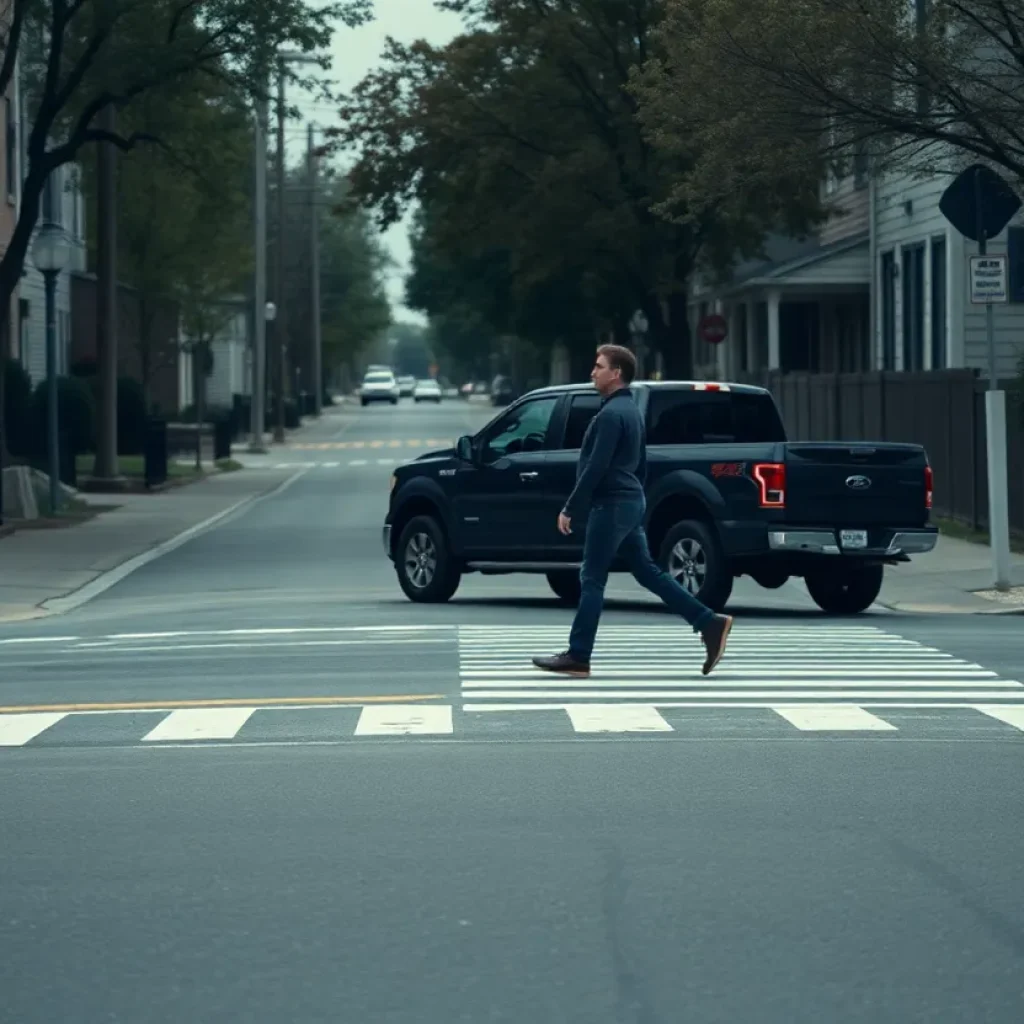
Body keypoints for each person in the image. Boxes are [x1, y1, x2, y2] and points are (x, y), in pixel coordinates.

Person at [532, 344, 733, 678]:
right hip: (627, 501)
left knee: (592, 578)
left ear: (617, 373)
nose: (592, 372)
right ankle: (709, 623)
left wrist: (570, 507)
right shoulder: (629, 412)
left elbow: (596, 467)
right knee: (647, 572)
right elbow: (640, 463)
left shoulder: (612, 415)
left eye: (599, 366)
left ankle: (578, 656)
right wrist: (633, 497)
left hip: (612, 504)